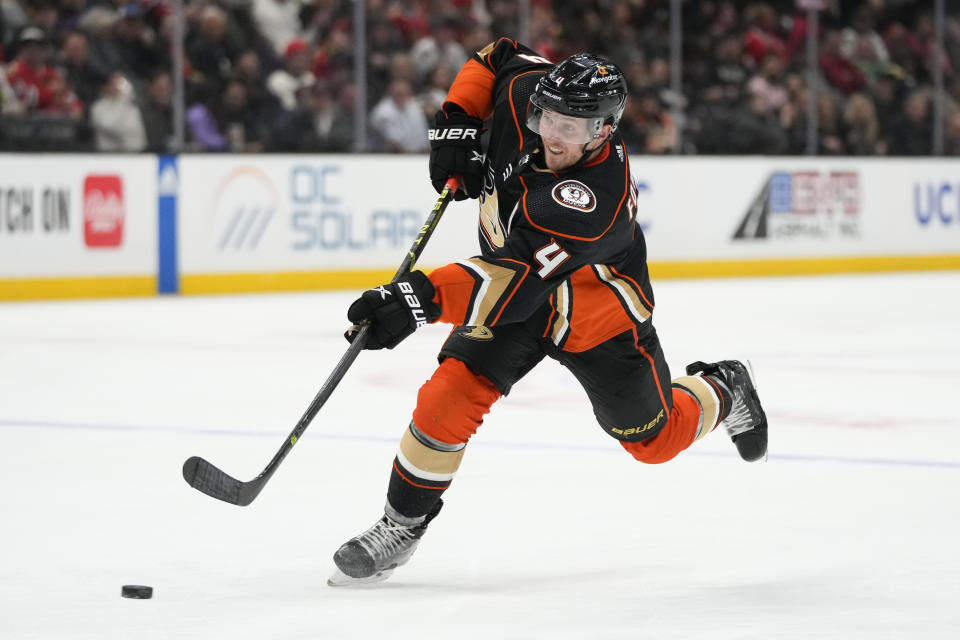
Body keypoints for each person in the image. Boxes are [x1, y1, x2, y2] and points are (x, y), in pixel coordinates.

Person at [328, 39, 768, 587]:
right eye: (547, 117)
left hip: (594, 316)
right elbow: (496, 56)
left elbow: (511, 281)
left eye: (571, 127)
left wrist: (415, 300)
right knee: (446, 397)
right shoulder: (525, 94)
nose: (552, 135)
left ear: (603, 131)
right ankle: (401, 526)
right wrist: (457, 122)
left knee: (652, 441)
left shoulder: (591, 199)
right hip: (517, 302)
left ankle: (725, 387)